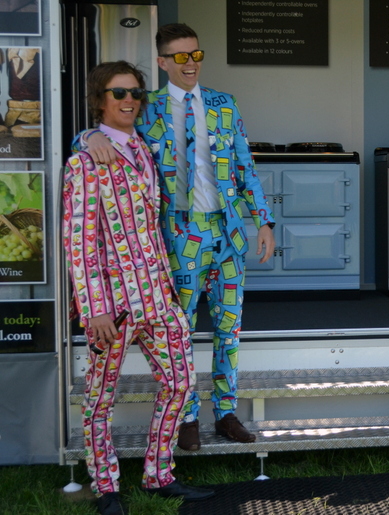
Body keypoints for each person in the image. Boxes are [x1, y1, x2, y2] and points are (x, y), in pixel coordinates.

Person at [81, 23, 275, 451]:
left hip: (227, 232)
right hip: (179, 234)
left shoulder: (224, 104)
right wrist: (88, 135)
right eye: (182, 57)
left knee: (229, 329)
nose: (191, 64)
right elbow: (109, 132)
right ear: (163, 62)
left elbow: (245, 165)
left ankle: (225, 412)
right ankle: (185, 417)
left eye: (196, 54)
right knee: (179, 331)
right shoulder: (145, 106)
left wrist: (264, 221)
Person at [63, 61, 214, 515]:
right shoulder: (84, 161)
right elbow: (79, 241)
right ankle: (106, 487)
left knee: (180, 383)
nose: (129, 100)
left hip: (158, 295)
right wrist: (93, 308)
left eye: (135, 93)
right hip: (112, 305)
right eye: (119, 92)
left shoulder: (144, 149)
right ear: (100, 100)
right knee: (100, 398)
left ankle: (158, 475)